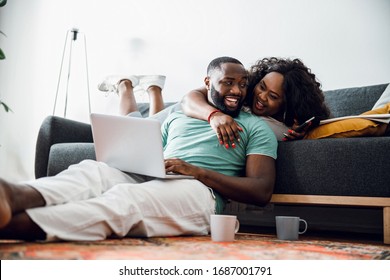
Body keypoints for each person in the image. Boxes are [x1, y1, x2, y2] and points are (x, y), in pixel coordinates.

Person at [0, 56, 277, 241]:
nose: (237, 90)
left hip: (200, 192)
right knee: (92, 172)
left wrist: (196, 172)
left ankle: (16, 224)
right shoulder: (181, 113)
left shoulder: (257, 127)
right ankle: (13, 195)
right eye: (228, 82)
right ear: (207, 83)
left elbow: (260, 191)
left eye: (242, 84)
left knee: (126, 200)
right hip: (156, 174)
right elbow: (153, 148)